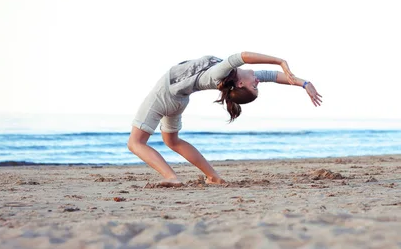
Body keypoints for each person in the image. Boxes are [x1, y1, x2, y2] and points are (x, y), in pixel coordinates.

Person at [127, 51, 322, 186]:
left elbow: (241, 55)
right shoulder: (233, 76)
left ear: (240, 84)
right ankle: (213, 177)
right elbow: (273, 76)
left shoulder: (220, 73)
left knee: (135, 143)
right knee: (172, 141)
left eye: (254, 86)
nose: (257, 82)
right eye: (256, 85)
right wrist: (304, 83)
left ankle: (171, 177)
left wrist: (281, 61)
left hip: (164, 94)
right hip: (178, 98)